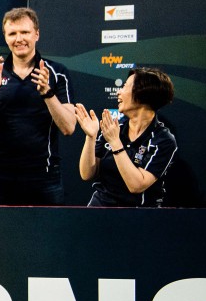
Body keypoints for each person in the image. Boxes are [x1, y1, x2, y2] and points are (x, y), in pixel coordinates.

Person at [0, 7, 76, 205]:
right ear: (6, 38)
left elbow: (69, 127)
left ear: (36, 34)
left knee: (46, 236)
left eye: (25, 32)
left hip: (44, 177)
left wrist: (47, 92)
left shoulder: (57, 73)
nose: (19, 39)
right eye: (12, 33)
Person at [75, 67, 177, 207]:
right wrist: (90, 137)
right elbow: (87, 174)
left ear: (143, 94)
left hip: (137, 216)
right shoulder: (115, 128)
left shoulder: (163, 140)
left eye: (125, 87)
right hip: (99, 209)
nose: (118, 92)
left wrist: (116, 143)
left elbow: (136, 186)